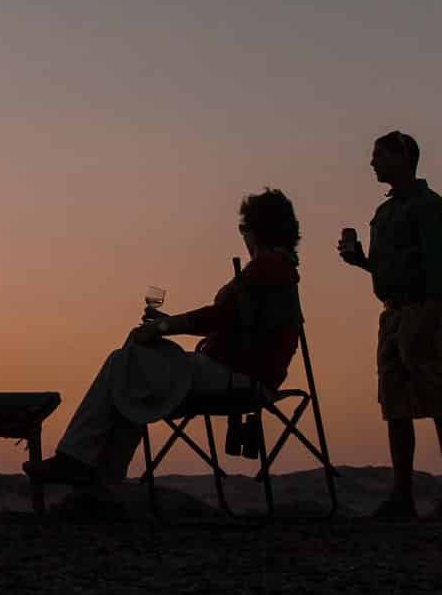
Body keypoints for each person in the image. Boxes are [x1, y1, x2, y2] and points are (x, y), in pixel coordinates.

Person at [24, 188, 302, 490]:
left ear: (258, 229)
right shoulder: (280, 270)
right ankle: (100, 489)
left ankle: (78, 462)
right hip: (232, 373)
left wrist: (162, 327)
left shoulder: (267, 269)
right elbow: (237, 326)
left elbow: (220, 316)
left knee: (125, 362)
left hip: (235, 378)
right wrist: (165, 324)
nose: (243, 237)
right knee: (130, 380)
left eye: (244, 229)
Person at [338, 130, 442, 522]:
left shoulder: (429, 206)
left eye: (379, 155)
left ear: (402, 157)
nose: (373, 163)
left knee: (437, 398)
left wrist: (430, 314)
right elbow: (391, 265)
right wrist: (361, 261)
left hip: (420, 312)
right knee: (395, 405)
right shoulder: (388, 211)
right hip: (392, 313)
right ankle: (402, 497)